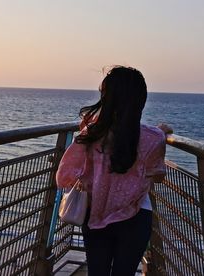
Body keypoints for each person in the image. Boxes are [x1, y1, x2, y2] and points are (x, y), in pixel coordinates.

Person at [56, 66, 170, 275]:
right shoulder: (154, 138)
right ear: (140, 100)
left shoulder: (90, 134)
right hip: (136, 217)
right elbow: (158, 176)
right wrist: (160, 132)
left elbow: (64, 177)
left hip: (96, 215)